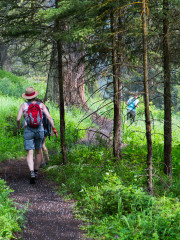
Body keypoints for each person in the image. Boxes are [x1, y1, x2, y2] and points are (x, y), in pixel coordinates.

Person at [17, 87, 58, 184]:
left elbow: (18, 119)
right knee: (38, 151)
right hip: (40, 130)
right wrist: (54, 129)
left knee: (29, 153)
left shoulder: (23, 105)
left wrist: (18, 127)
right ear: (35, 95)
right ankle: (36, 171)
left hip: (28, 130)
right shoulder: (41, 105)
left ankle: (31, 172)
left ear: (26, 96)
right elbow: (48, 117)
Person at [36, 99, 51, 167]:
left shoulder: (39, 109)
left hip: (41, 129)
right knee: (43, 145)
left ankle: (42, 162)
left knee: (40, 146)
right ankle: (48, 160)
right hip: (47, 129)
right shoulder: (46, 108)